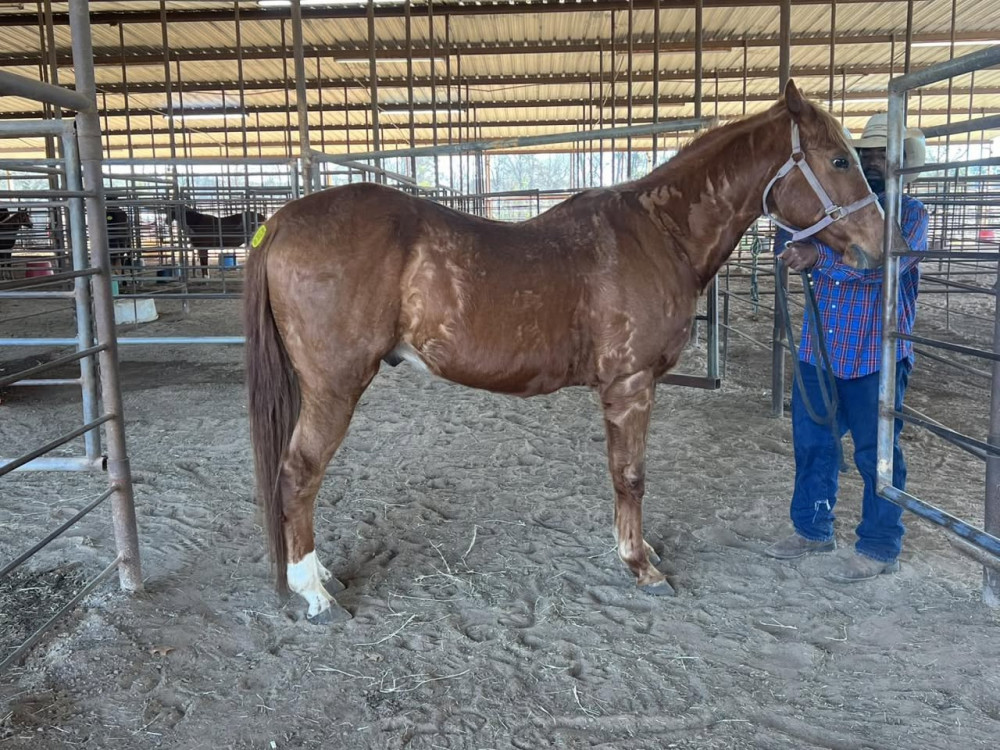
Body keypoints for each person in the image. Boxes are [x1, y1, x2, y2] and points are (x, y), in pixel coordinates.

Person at [765, 113, 930, 582]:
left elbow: (879, 268)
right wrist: (794, 235)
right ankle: (812, 528)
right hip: (820, 350)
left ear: (904, 162)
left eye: (884, 155)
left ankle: (879, 545)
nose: (874, 163)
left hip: (875, 354)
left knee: (876, 453)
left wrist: (818, 256)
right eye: (868, 155)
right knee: (813, 444)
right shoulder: (831, 210)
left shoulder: (910, 216)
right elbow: (789, 237)